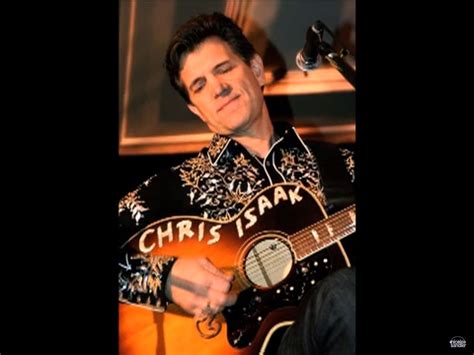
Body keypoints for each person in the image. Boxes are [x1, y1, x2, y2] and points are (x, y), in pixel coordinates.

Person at [119, 12, 355, 355]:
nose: (218, 88)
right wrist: (164, 278)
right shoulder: (177, 186)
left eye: (223, 69)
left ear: (256, 70)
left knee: (343, 293)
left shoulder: (341, 166)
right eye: (199, 86)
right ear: (196, 110)